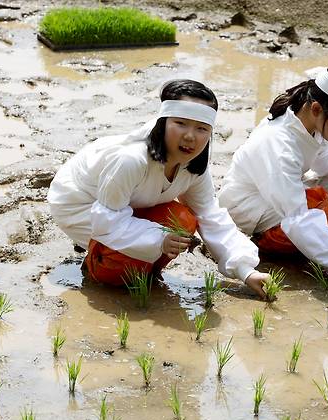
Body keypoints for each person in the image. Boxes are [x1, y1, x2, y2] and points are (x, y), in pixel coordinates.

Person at [47, 79, 270, 298]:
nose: (190, 136)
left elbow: (210, 215)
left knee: (182, 221)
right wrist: (158, 240)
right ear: (163, 122)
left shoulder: (193, 167)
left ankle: (143, 270)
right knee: (120, 275)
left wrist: (246, 271)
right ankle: (97, 265)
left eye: (201, 128)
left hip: (125, 205)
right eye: (180, 123)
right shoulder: (130, 160)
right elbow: (107, 221)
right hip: (82, 206)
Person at [218, 62, 328, 280]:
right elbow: (297, 217)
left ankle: (318, 244)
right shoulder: (279, 144)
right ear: (317, 109)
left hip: (278, 201)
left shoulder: (308, 123)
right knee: (320, 205)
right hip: (252, 216)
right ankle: (287, 246)